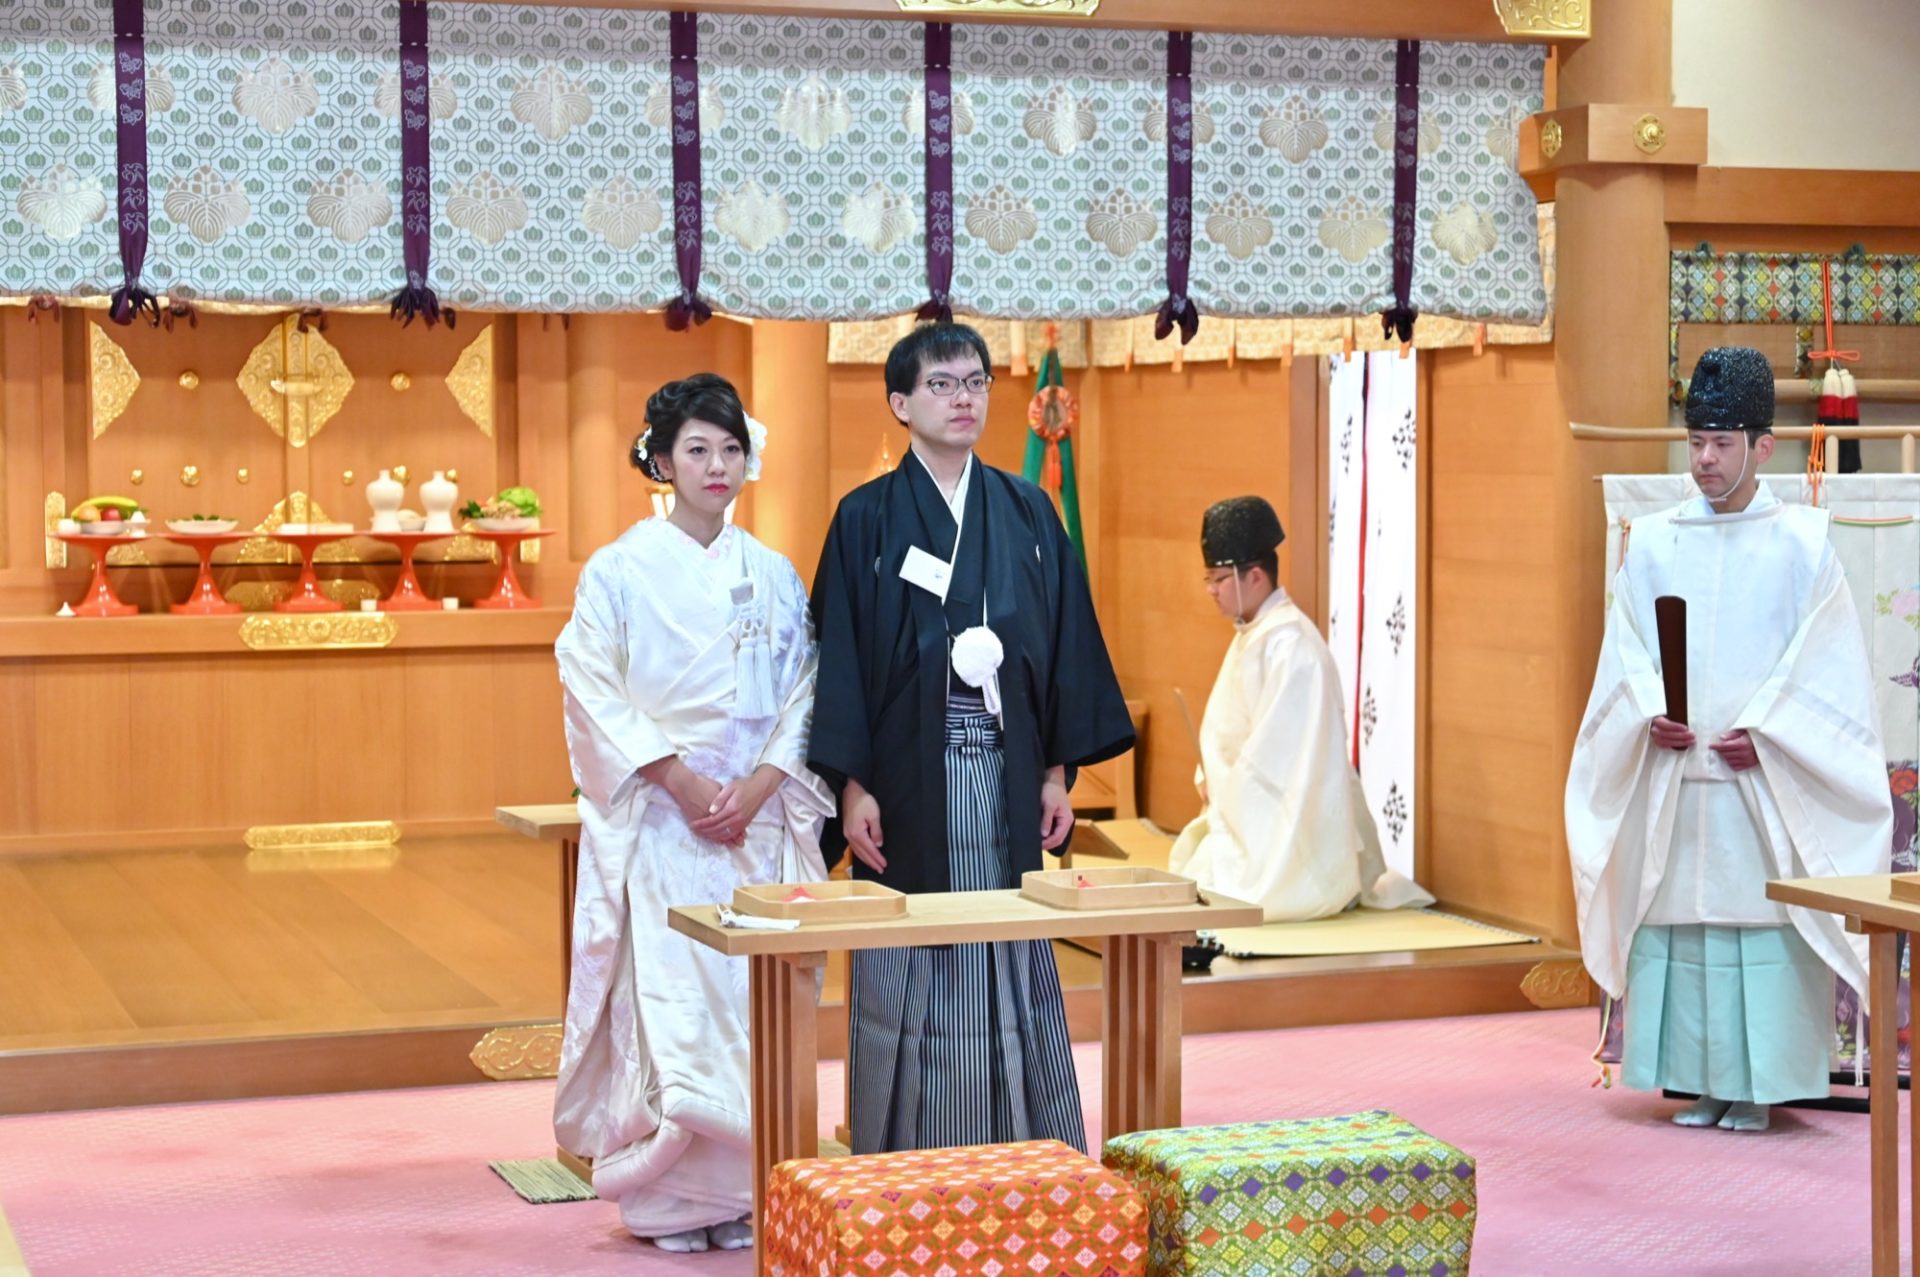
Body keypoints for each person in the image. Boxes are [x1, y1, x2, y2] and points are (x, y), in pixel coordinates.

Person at [807, 322, 1135, 1155]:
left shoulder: (1025, 509)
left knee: (1008, 943)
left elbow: (1060, 646)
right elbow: (839, 654)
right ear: (900, 402)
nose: (964, 399)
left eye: (977, 382)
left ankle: (1022, 1146)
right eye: (944, 384)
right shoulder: (866, 519)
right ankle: (911, 1151)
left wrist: (1056, 772)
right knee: (913, 947)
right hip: (904, 777)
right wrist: (852, 786)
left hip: (1007, 761)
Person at [1566, 345, 1891, 1132]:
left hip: (1759, 779)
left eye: (1721, 443)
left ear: (1763, 446)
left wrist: (1772, 733)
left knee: (1758, 922)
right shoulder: (1651, 541)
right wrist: (1649, 711)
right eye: (1696, 440)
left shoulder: (1803, 543)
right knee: (1683, 921)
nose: (1705, 460)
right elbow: (1626, 650)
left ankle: (1760, 1086)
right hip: (1679, 774)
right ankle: (1696, 1077)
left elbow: (1827, 662)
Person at [552, 373, 831, 1250]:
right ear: (662, 460)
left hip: (752, 821)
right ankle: (667, 1201)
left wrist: (759, 785)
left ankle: (744, 1189)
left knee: (750, 1006)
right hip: (667, 821)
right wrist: (674, 777)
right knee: (671, 1005)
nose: (717, 465)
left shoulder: (775, 573)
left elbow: (806, 690)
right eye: (697, 449)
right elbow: (588, 680)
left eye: (730, 448)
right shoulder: (619, 570)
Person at [1170, 495, 1434, 922]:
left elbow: (1284, 760)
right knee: (1194, 875)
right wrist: (1212, 775)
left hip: (1289, 818)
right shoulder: (1255, 634)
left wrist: (1225, 781)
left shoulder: (1292, 644)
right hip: (1240, 801)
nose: (1210, 591)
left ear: (1253, 575)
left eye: (1218, 579)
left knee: (1236, 891)